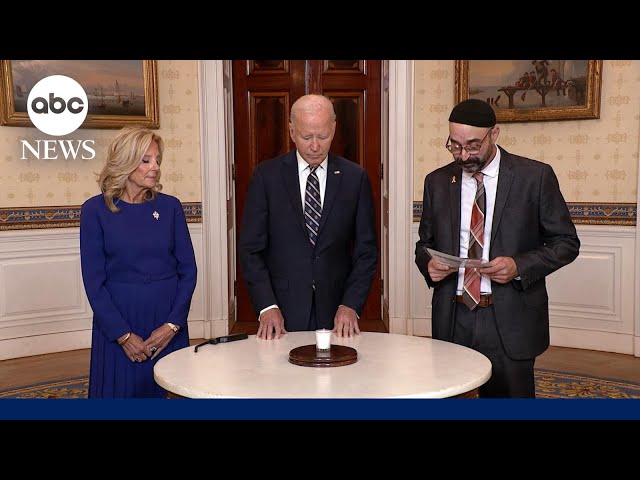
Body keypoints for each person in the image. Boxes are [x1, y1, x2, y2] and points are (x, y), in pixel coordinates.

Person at [414, 99, 580, 398]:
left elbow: (566, 243)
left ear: (495, 134)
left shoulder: (535, 177)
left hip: (509, 318)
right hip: (453, 317)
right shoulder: (437, 182)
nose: (464, 155)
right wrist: (429, 264)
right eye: (455, 145)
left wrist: (519, 266)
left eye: (473, 145)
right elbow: (424, 245)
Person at [239, 94, 378, 340]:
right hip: (281, 311)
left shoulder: (355, 178)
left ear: (334, 129)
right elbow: (251, 250)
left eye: (322, 136)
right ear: (292, 132)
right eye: (306, 137)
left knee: (338, 376)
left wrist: (351, 304)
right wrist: (267, 306)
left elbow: (366, 252)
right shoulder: (266, 177)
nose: (315, 146)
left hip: (338, 312)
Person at [80, 126, 197, 398]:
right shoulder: (95, 210)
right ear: (125, 161)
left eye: (157, 160)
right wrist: (122, 335)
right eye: (146, 160)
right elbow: (93, 282)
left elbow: (188, 271)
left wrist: (172, 325)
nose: (155, 167)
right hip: (119, 321)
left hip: (167, 319)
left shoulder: (171, 207)